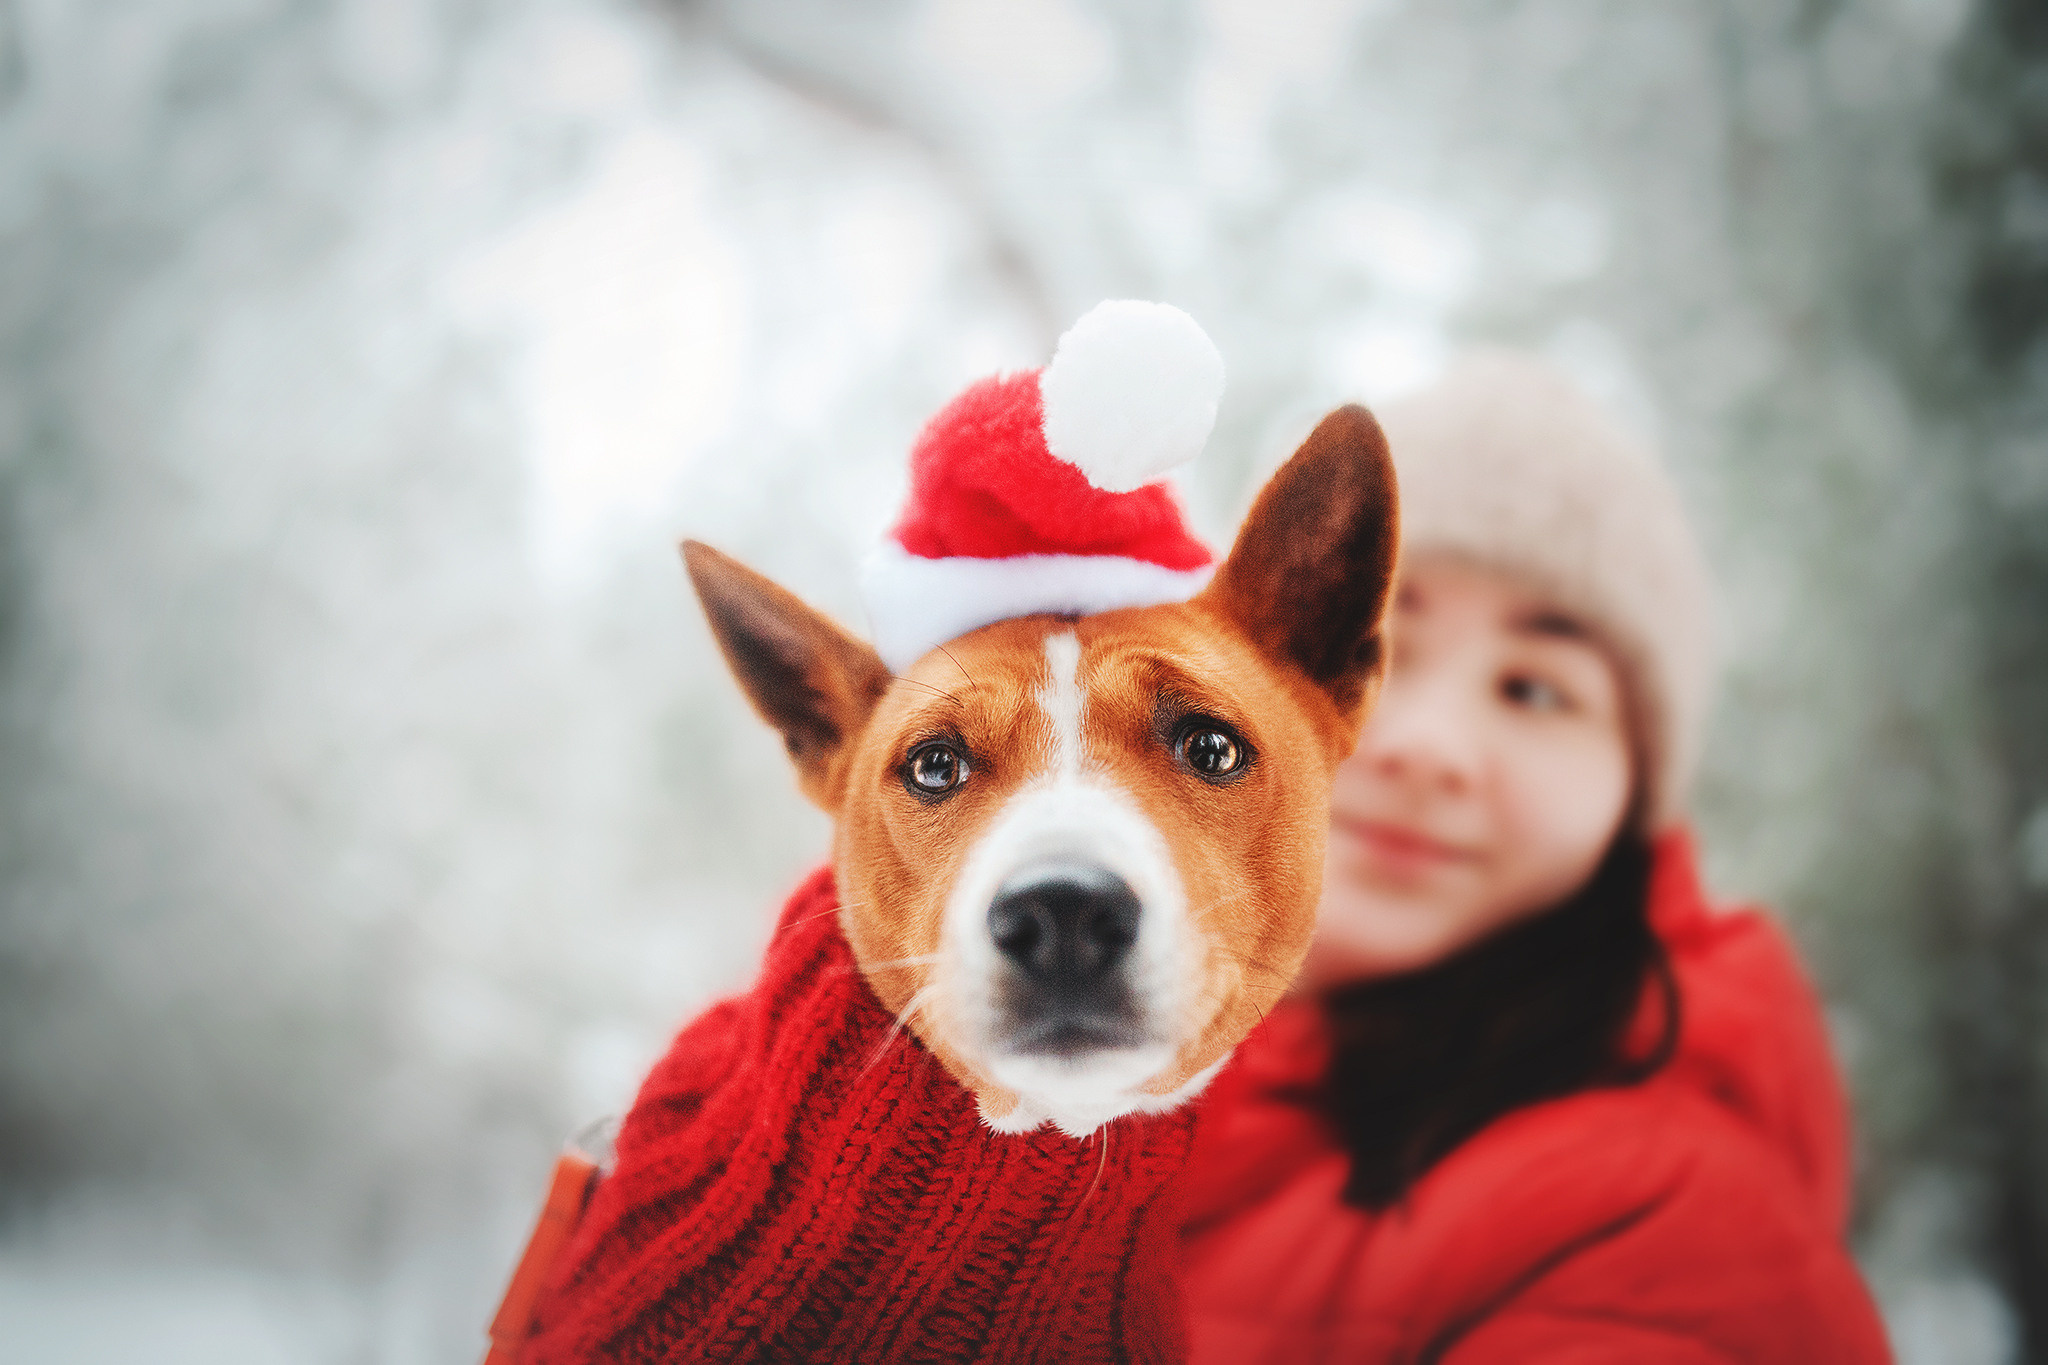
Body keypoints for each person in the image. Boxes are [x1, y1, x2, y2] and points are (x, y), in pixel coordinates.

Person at [1177, 353, 1893, 1362]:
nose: (1426, 746)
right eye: (1364, 642)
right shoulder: (967, 1036)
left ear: (1630, 803)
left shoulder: (1660, 1231)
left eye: (1533, 689)